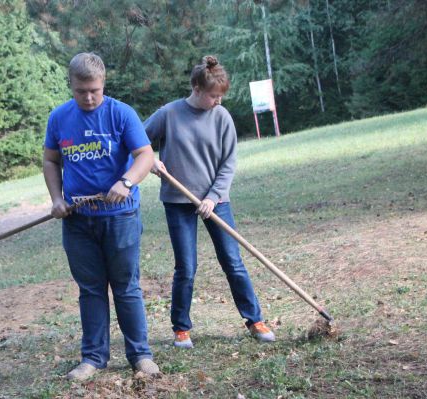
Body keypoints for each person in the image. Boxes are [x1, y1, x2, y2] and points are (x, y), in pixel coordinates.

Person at [143, 55, 275, 349]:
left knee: (233, 262)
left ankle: (254, 320)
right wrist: (150, 159)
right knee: (186, 267)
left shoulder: (222, 117)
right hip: (179, 201)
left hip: (217, 201)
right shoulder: (169, 114)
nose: (218, 102)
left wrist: (213, 197)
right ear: (196, 88)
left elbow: (229, 162)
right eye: (213, 96)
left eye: (221, 96)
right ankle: (181, 329)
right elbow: (136, 140)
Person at [43, 52, 160, 380]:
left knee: (126, 286)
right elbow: (51, 161)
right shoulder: (59, 118)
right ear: (72, 86)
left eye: (95, 89)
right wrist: (56, 199)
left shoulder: (121, 114)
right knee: (91, 289)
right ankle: (93, 358)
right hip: (78, 221)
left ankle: (141, 355)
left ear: (103, 84)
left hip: (120, 217)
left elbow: (145, 156)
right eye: (82, 91)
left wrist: (126, 182)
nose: (89, 97)